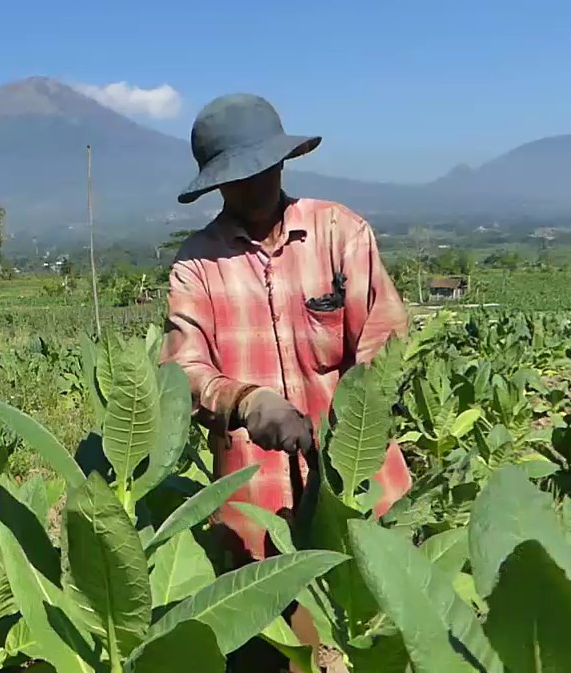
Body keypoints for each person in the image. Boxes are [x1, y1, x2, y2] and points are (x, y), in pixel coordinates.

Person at [162, 94, 411, 671]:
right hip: (256, 498)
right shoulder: (196, 264)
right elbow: (182, 369)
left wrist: (350, 424)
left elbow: (384, 339)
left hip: (356, 480)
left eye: (261, 169)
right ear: (216, 184)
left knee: (384, 634)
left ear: (282, 162)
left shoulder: (339, 233)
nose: (252, 186)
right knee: (276, 650)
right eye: (236, 177)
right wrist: (247, 402)